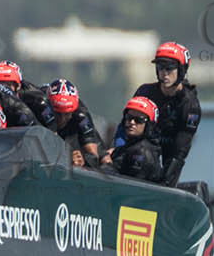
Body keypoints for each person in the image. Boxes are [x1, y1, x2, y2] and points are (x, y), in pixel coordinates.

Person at [119, 41, 200, 185]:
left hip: (170, 153)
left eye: (169, 68)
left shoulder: (190, 105)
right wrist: (116, 150)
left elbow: (179, 151)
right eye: (160, 67)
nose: (164, 73)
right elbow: (124, 126)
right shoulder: (145, 91)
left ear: (181, 70)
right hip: (140, 149)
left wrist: (166, 182)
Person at [101, 97, 163, 181]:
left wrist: (106, 163)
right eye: (129, 117)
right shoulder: (129, 146)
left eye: (139, 120)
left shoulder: (142, 151)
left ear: (149, 125)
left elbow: (129, 183)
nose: (132, 122)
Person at [45, 78, 103, 169]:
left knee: (105, 159)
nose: (62, 119)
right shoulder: (39, 105)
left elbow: (93, 156)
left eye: (66, 114)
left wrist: (82, 160)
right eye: (58, 113)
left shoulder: (81, 115)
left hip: (72, 138)